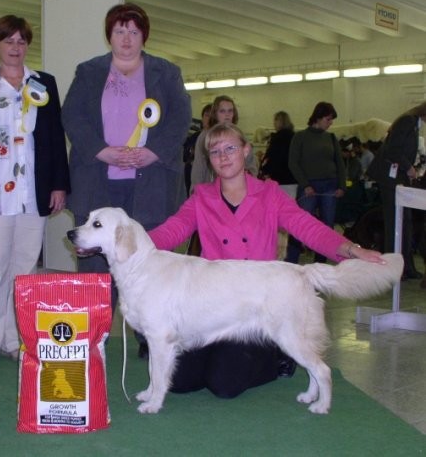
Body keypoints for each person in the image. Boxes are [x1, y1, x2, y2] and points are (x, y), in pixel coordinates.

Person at [148, 123, 385, 400]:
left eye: (230, 148)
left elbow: (308, 227)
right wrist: (127, 243)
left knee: (224, 385)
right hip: (212, 308)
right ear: (209, 159)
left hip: (257, 309)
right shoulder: (201, 198)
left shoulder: (269, 194)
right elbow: (171, 230)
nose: (223, 157)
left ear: (246, 150)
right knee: (179, 381)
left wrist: (352, 250)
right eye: (215, 151)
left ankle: (277, 356)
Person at [61, 2, 191, 358]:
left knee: (149, 260)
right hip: (99, 179)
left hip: (148, 182)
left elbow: (181, 118)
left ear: (144, 36)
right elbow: (72, 116)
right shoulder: (88, 72)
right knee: (93, 261)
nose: (127, 38)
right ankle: (90, 336)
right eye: (120, 31)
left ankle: (151, 337)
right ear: (110, 35)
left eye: (134, 31)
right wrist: (101, 150)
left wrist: (154, 152)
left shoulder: (167, 73)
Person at [0, 14, 70, 359]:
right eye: (9, 41)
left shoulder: (43, 83)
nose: (15, 48)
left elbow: (53, 138)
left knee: (25, 270)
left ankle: (18, 341)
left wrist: (59, 185)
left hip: (31, 193)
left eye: (21, 41)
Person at [367, 101, 426, 280]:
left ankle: (406, 267)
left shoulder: (413, 124)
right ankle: (395, 268)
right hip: (390, 179)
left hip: (397, 178)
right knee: (396, 224)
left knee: (404, 223)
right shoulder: (407, 121)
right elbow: (393, 150)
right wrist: (409, 167)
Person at [286, 102, 346, 263]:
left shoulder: (331, 138)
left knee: (327, 226)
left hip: (330, 186)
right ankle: (291, 261)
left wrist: (342, 185)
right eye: (328, 119)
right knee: (299, 224)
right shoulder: (300, 137)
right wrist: (305, 184)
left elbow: (340, 163)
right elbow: (293, 163)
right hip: (308, 187)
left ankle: (320, 263)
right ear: (318, 118)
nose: (330, 123)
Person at [189, 95, 256, 191]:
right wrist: (195, 192)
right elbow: (198, 168)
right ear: (215, 114)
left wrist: (249, 175)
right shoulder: (205, 137)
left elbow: (251, 163)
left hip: (238, 191)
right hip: (212, 191)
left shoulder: (240, 136)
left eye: (230, 111)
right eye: (222, 111)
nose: (227, 115)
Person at [259, 110, 296, 185]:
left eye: (275, 120)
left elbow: (272, 156)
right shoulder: (295, 137)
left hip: (279, 177)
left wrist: (264, 170)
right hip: (293, 177)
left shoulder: (277, 138)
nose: (274, 123)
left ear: (280, 122)